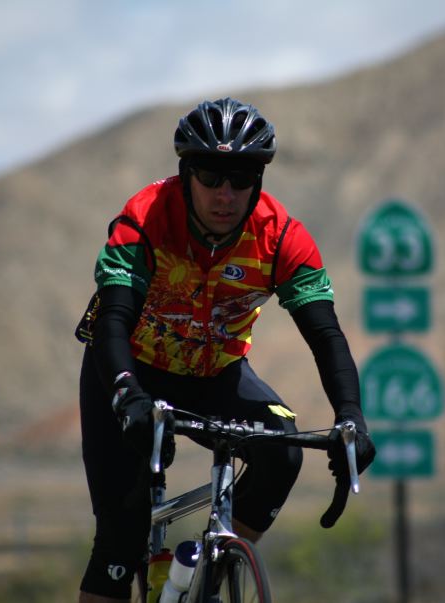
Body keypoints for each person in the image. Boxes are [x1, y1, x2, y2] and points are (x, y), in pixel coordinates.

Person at [73, 97, 376, 603]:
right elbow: (114, 320)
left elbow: (326, 335)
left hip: (217, 373)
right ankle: (133, 558)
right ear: (186, 172)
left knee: (282, 449)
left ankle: (206, 569)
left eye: (240, 178)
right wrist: (127, 395)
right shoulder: (144, 219)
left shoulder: (282, 238)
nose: (225, 193)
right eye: (211, 175)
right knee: (119, 542)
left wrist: (352, 417)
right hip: (131, 370)